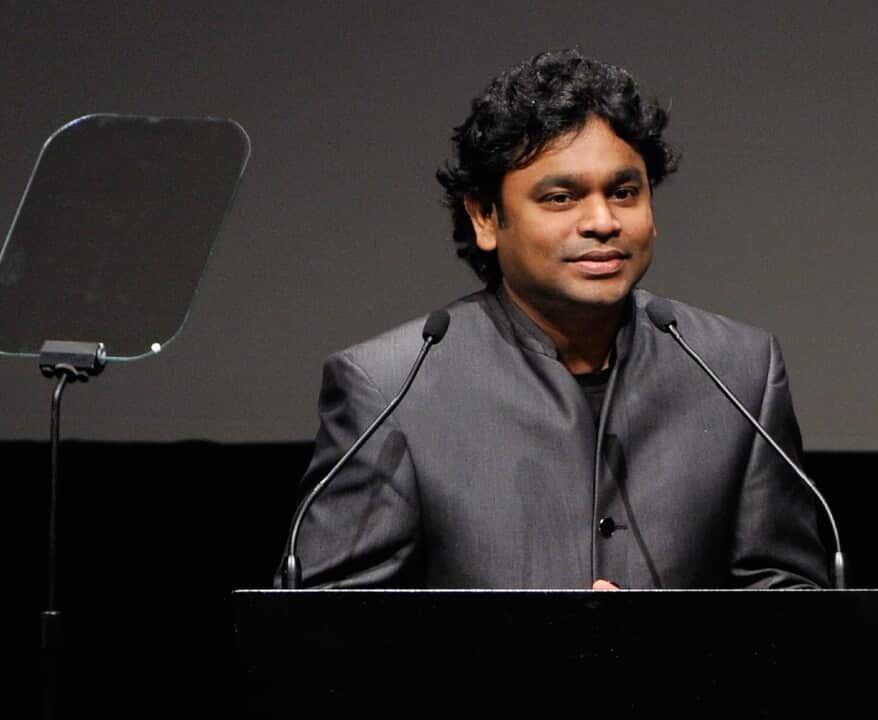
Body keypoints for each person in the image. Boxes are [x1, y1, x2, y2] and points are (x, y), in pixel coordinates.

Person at [283, 49, 830, 590]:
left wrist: (664, 637)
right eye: (562, 197)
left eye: (624, 193)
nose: (602, 221)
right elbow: (323, 629)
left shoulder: (737, 372)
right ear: (485, 216)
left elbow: (795, 606)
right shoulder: (392, 388)